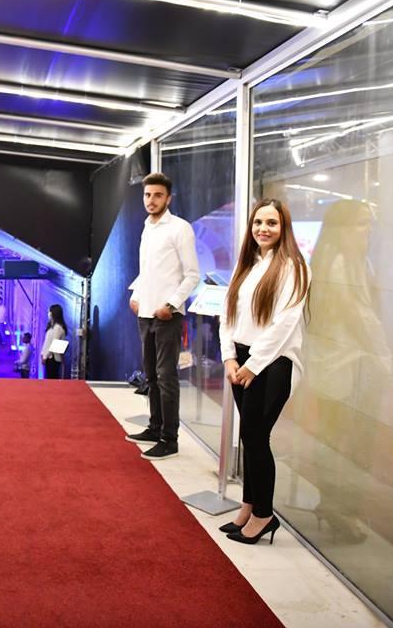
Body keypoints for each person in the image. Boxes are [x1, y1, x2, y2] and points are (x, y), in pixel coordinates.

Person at [218, 198, 310, 545]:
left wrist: (253, 365)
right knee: (249, 437)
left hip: (272, 364)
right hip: (242, 360)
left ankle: (264, 515)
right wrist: (229, 358)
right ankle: (249, 507)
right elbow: (227, 315)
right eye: (258, 222)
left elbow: (285, 323)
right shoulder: (247, 264)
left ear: (284, 227)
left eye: (271, 223)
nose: (263, 229)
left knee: (256, 438)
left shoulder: (294, 267)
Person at [125, 172, 199, 461]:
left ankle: (170, 439)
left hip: (167, 315)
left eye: (157, 195)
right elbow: (148, 271)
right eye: (147, 195)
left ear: (168, 198)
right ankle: (155, 427)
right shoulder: (147, 227)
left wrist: (171, 304)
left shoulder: (180, 228)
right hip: (145, 312)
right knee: (152, 376)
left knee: (167, 377)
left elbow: (192, 275)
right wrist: (135, 295)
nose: (151, 200)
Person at [40, 304, 68, 379]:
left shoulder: (58, 328)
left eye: (49, 311)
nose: (48, 314)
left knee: (52, 378)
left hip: (53, 358)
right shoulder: (50, 328)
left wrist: (45, 356)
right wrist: (42, 353)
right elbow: (46, 342)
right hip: (48, 357)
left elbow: (54, 344)